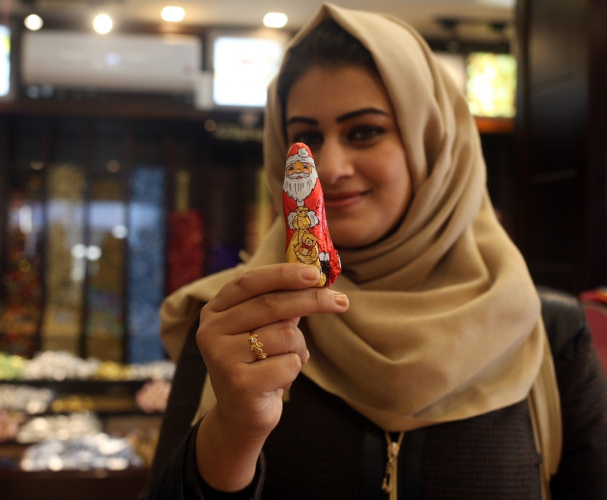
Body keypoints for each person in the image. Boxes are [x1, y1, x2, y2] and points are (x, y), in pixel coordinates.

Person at [143, 3, 607, 499]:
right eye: (306, 137)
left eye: (365, 131)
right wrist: (232, 434)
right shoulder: (234, 322)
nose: (332, 165)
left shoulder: (547, 332)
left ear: (431, 143)